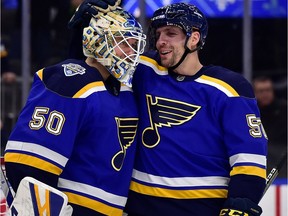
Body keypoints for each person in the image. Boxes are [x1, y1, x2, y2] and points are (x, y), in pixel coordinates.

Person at [69, 1, 268, 215]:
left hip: (202, 208)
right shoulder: (142, 69)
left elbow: (249, 158)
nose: (161, 41)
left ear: (194, 38)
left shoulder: (229, 88)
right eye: (159, 33)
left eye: (171, 33)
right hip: (138, 207)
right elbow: (89, 72)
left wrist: (242, 201)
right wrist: (82, 32)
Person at [4, 6, 146, 215]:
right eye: (123, 43)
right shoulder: (70, 80)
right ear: (98, 41)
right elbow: (29, 162)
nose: (131, 53)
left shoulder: (125, 92)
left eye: (135, 45)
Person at [253, 76, 287, 178]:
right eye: (261, 91)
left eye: (268, 90)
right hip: (259, 164)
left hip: (283, 163)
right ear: (255, 93)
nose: (265, 94)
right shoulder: (250, 112)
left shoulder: (285, 110)